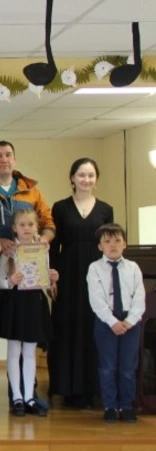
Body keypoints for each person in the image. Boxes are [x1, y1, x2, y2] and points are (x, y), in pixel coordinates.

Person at [0, 140, 54, 410]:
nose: (4, 159)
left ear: (14, 159)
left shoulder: (31, 191)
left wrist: (42, 243)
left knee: (26, 341)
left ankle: (27, 395)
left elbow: (47, 223)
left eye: (8, 155)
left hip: (26, 280)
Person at [49, 157, 114, 409]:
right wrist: (51, 276)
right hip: (67, 275)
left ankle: (92, 389)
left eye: (90, 175)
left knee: (93, 327)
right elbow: (54, 247)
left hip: (97, 276)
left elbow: (110, 245)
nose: (86, 179)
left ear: (96, 180)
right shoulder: (60, 208)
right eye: (81, 175)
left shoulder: (106, 209)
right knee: (66, 327)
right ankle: (67, 389)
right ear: (72, 178)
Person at [0, 209, 58, 417]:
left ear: (37, 227)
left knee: (30, 352)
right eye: (22, 225)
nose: (26, 228)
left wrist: (52, 277)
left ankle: (30, 396)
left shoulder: (42, 249)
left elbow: (45, 282)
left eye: (31, 224)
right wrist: (10, 281)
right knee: (14, 352)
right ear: (14, 228)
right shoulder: (9, 252)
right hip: (15, 303)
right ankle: (17, 397)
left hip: (35, 303)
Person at [87, 223, 146, 423]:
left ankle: (126, 405)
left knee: (128, 367)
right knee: (107, 367)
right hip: (106, 322)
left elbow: (139, 297)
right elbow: (96, 300)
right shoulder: (95, 268)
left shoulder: (133, 268)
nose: (112, 245)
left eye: (117, 240)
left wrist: (129, 321)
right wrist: (112, 321)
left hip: (130, 323)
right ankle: (110, 406)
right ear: (100, 246)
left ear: (125, 244)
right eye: (107, 241)